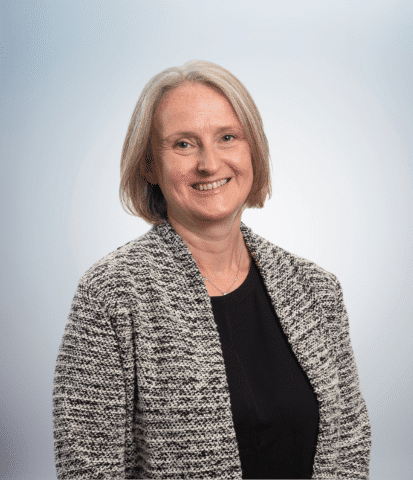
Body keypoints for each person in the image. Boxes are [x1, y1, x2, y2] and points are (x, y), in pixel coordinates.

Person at [53, 60, 372, 479]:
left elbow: (349, 448)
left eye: (227, 137)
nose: (209, 163)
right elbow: (88, 469)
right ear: (149, 165)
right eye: (183, 144)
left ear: (252, 149)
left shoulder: (316, 290)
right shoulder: (112, 294)